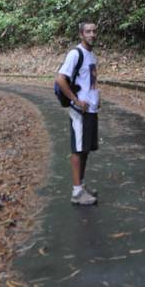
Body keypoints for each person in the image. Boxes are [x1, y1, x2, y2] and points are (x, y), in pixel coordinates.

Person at [55, 21, 100, 206]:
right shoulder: (76, 53)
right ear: (81, 34)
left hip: (91, 109)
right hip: (79, 111)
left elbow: (90, 81)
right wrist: (75, 100)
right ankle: (76, 192)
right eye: (88, 31)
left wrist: (96, 99)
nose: (92, 34)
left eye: (94, 31)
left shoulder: (92, 55)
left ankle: (81, 185)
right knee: (78, 149)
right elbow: (60, 79)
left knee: (85, 149)